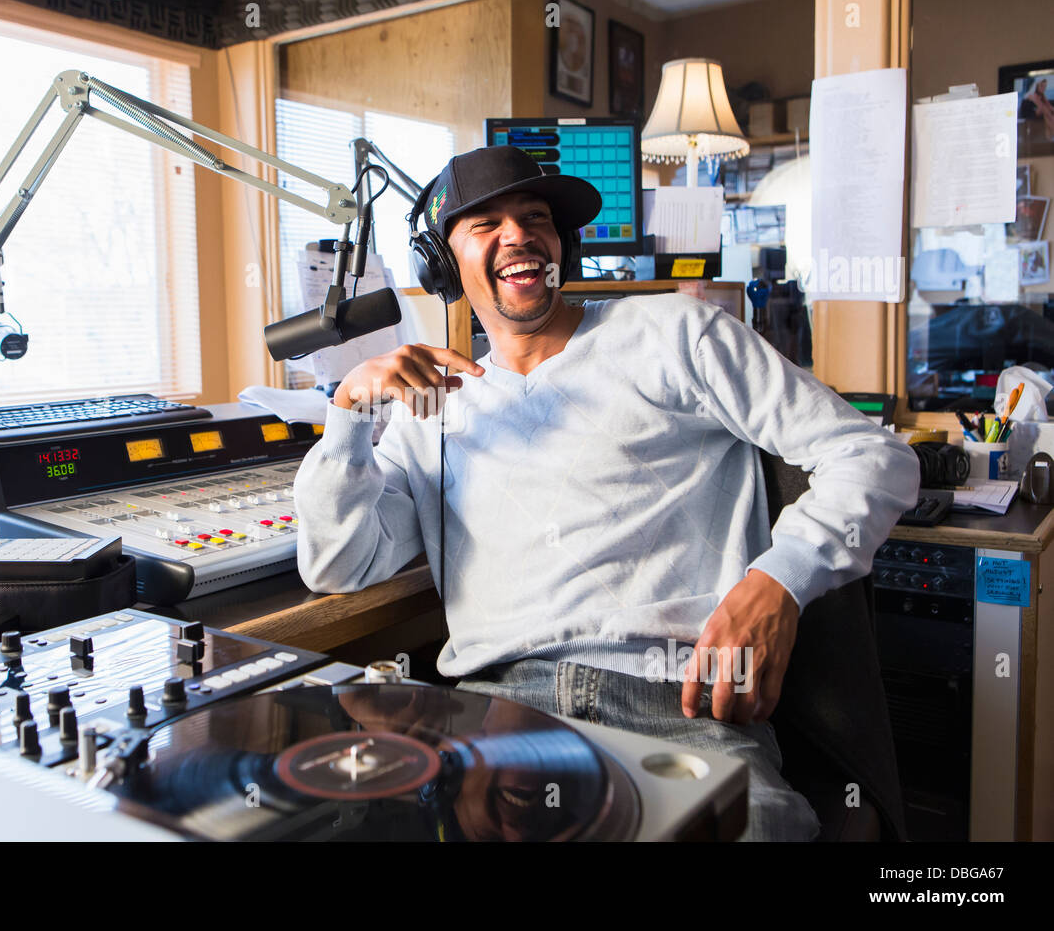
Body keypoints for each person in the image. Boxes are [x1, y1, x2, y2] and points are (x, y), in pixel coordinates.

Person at [292, 145, 920, 840]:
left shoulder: (674, 333)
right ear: (441, 263)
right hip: (498, 721)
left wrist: (777, 583)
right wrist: (348, 414)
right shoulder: (432, 410)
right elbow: (338, 565)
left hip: (678, 715)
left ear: (566, 244)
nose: (519, 236)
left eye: (535, 219)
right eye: (485, 225)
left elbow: (872, 455)